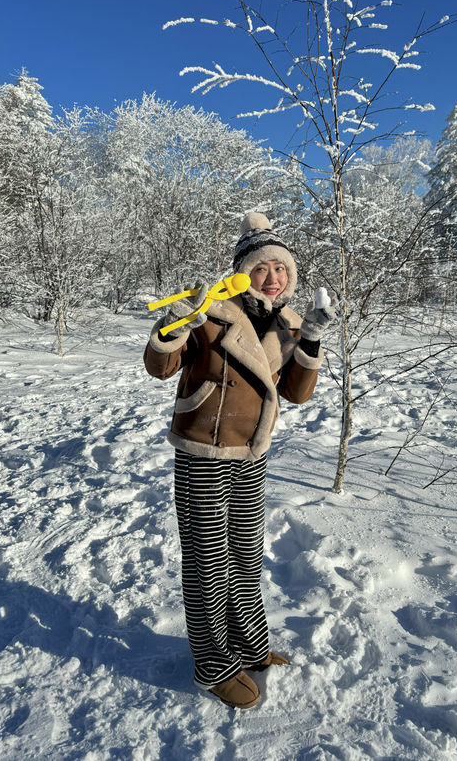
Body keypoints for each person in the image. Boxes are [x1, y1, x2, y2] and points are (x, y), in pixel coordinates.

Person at [143, 212, 334, 709]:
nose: (273, 278)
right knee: (209, 561)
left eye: (282, 269)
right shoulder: (211, 311)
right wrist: (172, 325)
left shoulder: (290, 321)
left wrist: (310, 338)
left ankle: (249, 645)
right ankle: (212, 664)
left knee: (246, 558)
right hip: (203, 450)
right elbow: (160, 368)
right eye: (263, 268)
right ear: (243, 271)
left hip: (251, 453)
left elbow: (295, 394)